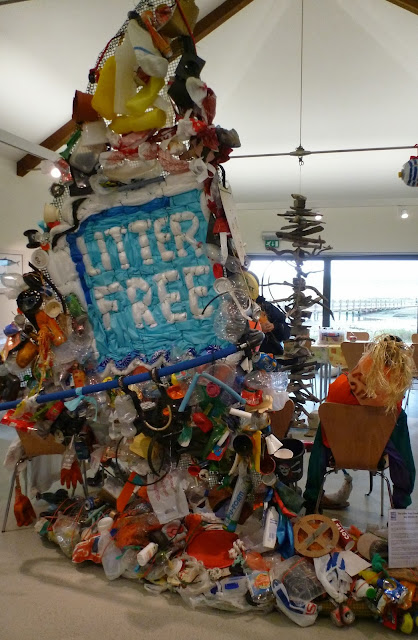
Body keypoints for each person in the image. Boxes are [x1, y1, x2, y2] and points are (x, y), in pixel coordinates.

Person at [303, 334, 415, 512]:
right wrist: (403, 500)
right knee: (399, 446)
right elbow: (403, 461)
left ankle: (312, 501)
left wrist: (311, 497)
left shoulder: (338, 389)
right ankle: (400, 509)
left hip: (338, 454)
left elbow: (320, 449)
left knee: (323, 434)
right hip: (373, 455)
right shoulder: (392, 405)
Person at [243, 272, 290, 356]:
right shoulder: (232, 308)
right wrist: (257, 329)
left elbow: (286, 332)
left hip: (268, 356)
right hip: (242, 354)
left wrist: (274, 326)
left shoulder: (266, 307)